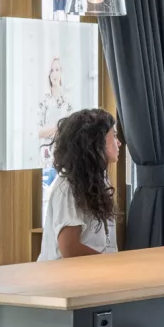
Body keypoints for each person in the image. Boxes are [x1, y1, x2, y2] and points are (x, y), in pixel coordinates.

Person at [39, 109, 119, 261]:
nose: (119, 142)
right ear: (97, 143)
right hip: (65, 279)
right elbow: (70, 248)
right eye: (114, 136)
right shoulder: (68, 188)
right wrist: (111, 263)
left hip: (91, 275)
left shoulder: (98, 180)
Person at [35, 57, 74, 185]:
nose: (55, 74)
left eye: (57, 69)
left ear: (61, 72)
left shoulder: (67, 101)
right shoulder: (44, 100)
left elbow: (70, 130)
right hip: (46, 159)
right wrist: (58, 127)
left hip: (64, 158)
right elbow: (38, 131)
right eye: (52, 70)